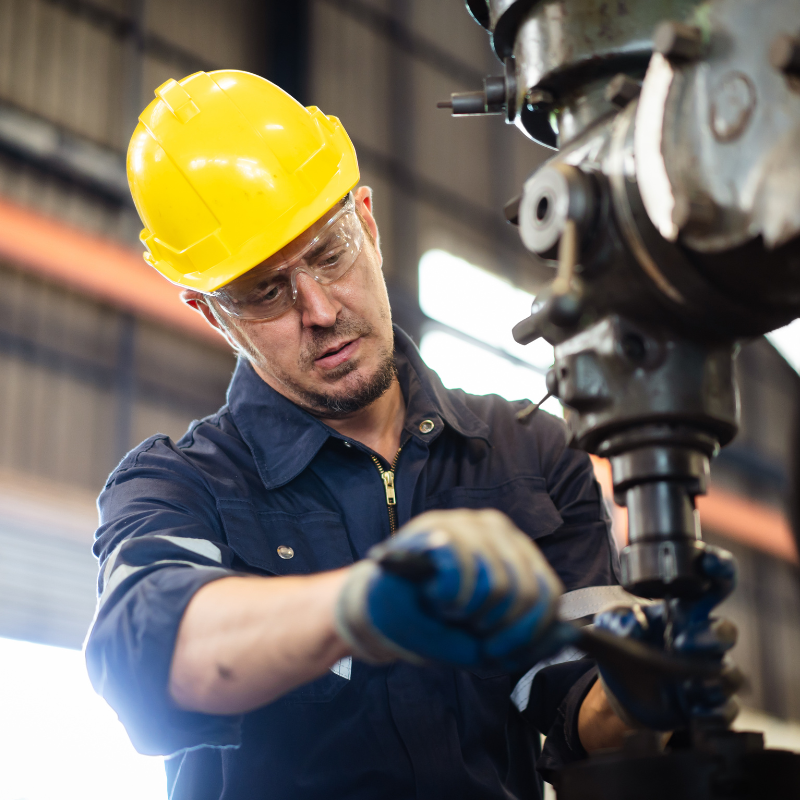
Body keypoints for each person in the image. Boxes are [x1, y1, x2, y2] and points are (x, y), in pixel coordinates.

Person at [84, 70, 730, 800]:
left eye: (330, 252)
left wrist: (640, 690)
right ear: (211, 315)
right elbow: (149, 656)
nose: (320, 309)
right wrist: (356, 606)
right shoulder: (180, 484)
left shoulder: (530, 453)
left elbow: (572, 700)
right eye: (265, 292)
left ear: (368, 220)